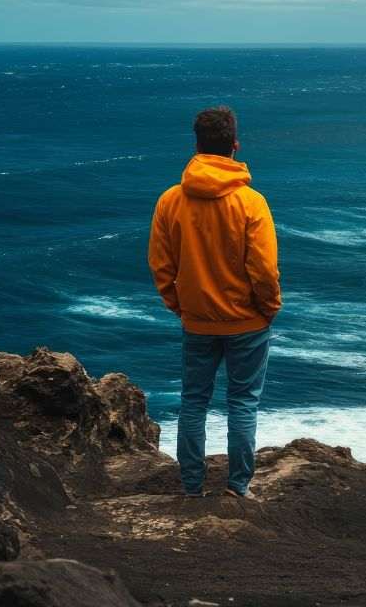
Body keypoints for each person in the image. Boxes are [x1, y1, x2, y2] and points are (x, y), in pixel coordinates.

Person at [148, 106, 281, 498]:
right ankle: (237, 488)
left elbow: (160, 264)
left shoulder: (171, 200)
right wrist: (268, 308)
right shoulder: (251, 202)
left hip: (197, 322)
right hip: (248, 324)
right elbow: (263, 270)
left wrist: (180, 304)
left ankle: (191, 487)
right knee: (242, 404)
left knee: (193, 403)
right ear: (235, 146)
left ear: (197, 145)